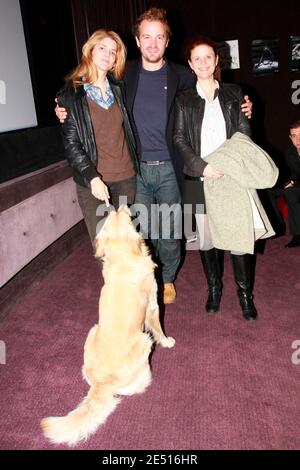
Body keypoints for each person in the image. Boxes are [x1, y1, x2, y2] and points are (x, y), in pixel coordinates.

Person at [55, 8, 253, 304]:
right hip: (134, 170)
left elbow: (212, 91)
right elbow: (90, 95)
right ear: (136, 40)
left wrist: (241, 104)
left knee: (171, 230)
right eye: (146, 37)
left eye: (158, 37)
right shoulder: (124, 74)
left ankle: (168, 279)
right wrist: (63, 108)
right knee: (140, 231)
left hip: (173, 167)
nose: (152, 43)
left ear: (167, 41)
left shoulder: (183, 75)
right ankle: (144, 282)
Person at [173, 36, 259, 321]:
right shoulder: (184, 98)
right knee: (206, 240)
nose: (203, 62)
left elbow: (244, 132)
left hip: (231, 175)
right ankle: (214, 288)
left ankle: (245, 294)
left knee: (237, 236)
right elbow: (179, 138)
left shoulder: (235, 93)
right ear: (190, 64)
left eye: (208, 57)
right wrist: (202, 167)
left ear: (216, 60)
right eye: (196, 58)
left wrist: (226, 165)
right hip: (198, 178)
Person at [56, 29, 138, 249]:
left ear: (115, 60)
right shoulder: (69, 95)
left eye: (113, 52)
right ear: (90, 50)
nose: (107, 55)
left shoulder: (121, 89)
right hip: (92, 182)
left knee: (127, 247)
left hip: (126, 177)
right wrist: (93, 178)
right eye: (102, 48)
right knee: (106, 250)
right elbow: (71, 145)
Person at [267, 120, 300, 248]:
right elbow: (293, 173)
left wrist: (293, 182)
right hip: (297, 184)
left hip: (296, 186)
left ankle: (298, 235)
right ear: (290, 138)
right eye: (294, 136)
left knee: (290, 192)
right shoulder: (290, 153)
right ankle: (278, 226)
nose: (298, 139)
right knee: (269, 192)